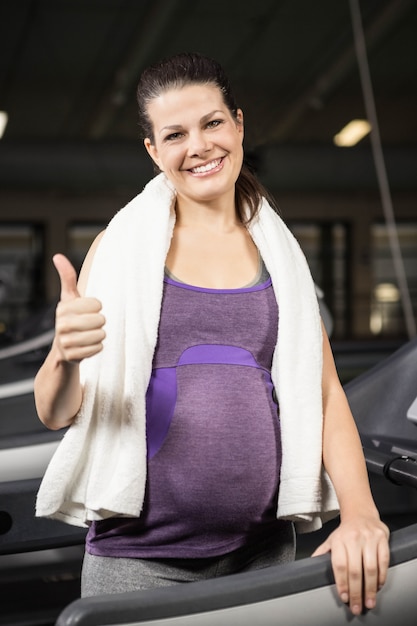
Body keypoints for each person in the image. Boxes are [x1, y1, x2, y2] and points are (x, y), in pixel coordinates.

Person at [34, 52, 389, 616]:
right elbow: (55, 414)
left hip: (266, 552)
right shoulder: (118, 248)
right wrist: (64, 356)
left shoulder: (281, 254)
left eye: (213, 123)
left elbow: (323, 393)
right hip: (139, 560)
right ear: (154, 152)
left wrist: (361, 514)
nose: (199, 146)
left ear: (238, 124)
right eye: (175, 134)